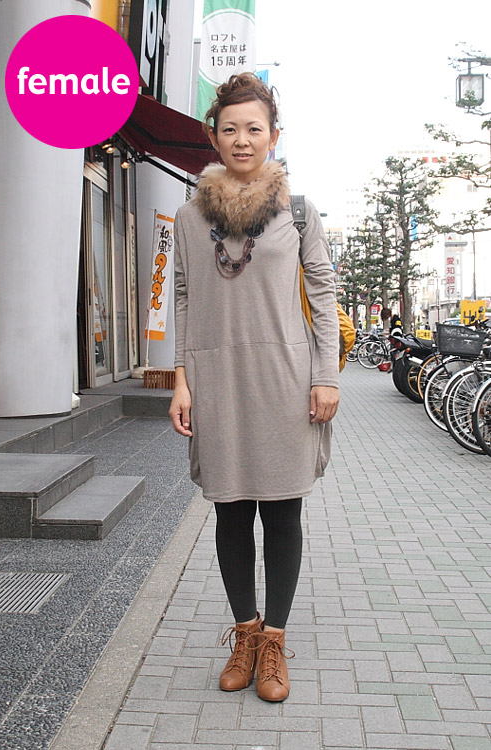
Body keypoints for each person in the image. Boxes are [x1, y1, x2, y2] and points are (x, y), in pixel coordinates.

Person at [169, 73, 339, 703]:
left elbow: (324, 293)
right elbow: (183, 297)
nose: (242, 140)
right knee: (231, 510)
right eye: (230, 129)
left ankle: (274, 644)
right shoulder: (190, 216)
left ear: (274, 136)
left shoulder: (298, 212)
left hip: (285, 379)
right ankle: (244, 633)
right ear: (214, 136)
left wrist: (326, 376)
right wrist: (180, 380)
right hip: (216, 378)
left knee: (282, 511)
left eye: (254, 129)